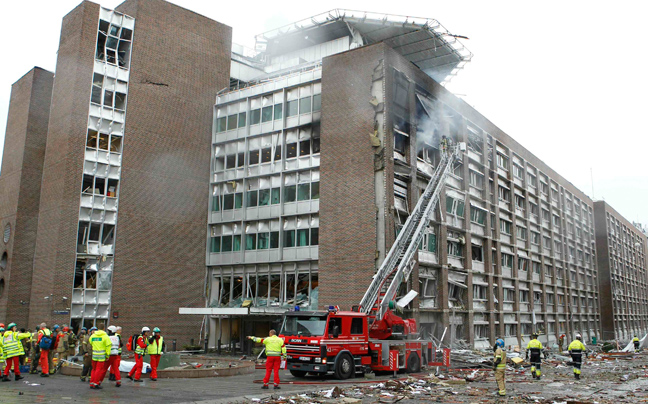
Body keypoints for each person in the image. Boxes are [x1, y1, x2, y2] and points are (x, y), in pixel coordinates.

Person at [89, 323, 111, 389]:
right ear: (104, 328)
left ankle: (92, 383)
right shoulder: (105, 336)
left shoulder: (93, 336)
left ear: (98, 328)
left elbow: (90, 342)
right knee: (99, 370)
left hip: (94, 355)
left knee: (94, 369)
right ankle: (96, 383)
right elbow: (108, 346)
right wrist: (107, 355)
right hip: (101, 356)